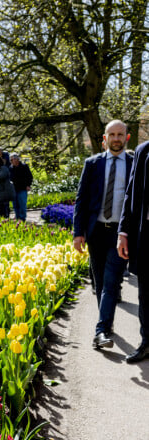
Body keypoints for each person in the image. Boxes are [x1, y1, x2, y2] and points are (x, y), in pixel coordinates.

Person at [73, 119, 133, 349]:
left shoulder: (135, 164)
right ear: (104, 139)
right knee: (99, 283)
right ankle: (105, 325)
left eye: (120, 134)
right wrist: (78, 233)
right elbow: (82, 199)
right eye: (112, 134)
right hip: (96, 231)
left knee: (111, 282)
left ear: (127, 137)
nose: (116, 138)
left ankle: (101, 331)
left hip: (121, 234)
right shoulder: (93, 164)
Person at [117, 140, 149, 362]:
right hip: (145, 234)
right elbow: (130, 193)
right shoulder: (143, 150)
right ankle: (147, 343)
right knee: (146, 294)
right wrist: (123, 232)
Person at [9, 153, 33, 221]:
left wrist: (28, 185)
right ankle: (17, 217)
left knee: (22, 205)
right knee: (15, 205)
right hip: (14, 189)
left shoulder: (24, 166)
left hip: (22, 188)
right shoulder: (10, 168)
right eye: (10, 160)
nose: (11, 161)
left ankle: (22, 218)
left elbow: (30, 177)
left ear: (17, 159)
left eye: (12, 160)